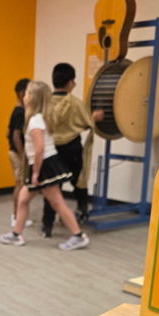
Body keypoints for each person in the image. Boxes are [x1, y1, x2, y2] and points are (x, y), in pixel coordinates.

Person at [0, 80, 89, 250]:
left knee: (57, 202)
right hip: (42, 164)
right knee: (24, 199)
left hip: (44, 165)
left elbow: (39, 149)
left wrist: (36, 173)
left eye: (26, 94)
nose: (24, 97)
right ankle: (16, 234)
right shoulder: (37, 118)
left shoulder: (35, 121)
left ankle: (78, 236)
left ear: (33, 98)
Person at [40, 62, 103, 237]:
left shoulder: (46, 104)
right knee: (79, 182)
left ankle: (47, 225)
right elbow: (85, 123)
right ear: (70, 82)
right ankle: (82, 211)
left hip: (51, 150)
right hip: (72, 150)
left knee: (53, 187)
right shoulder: (75, 103)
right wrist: (94, 117)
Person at [6, 77, 33, 228]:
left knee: (22, 184)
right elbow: (15, 135)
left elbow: (7, 132)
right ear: (22, 93)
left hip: (15, 152)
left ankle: (18, 215)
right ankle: (16, 216)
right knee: (20, 184)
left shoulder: (18, 112)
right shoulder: (19, 112)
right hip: (18, 154)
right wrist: (23, 154)